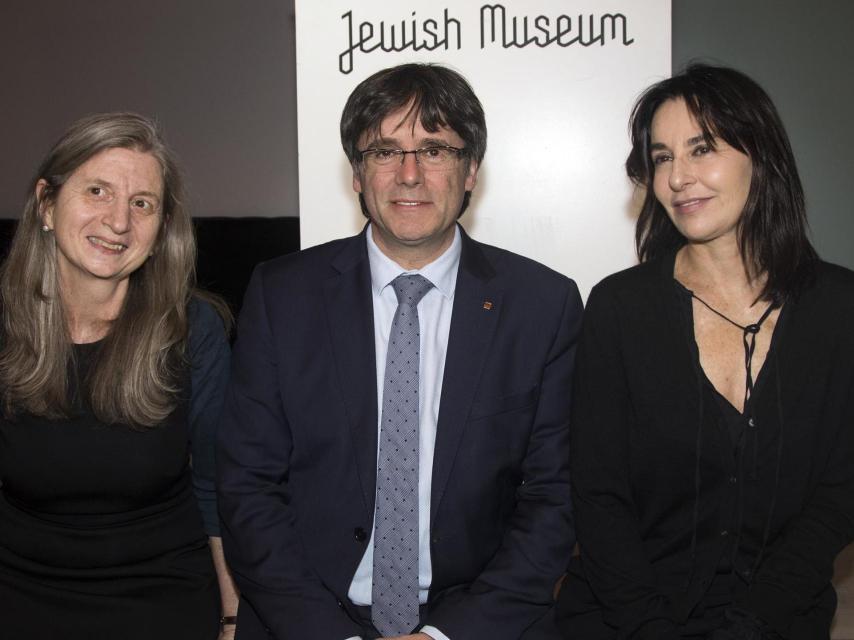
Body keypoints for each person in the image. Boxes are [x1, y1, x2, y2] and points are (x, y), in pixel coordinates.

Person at [217, 63, 582, 640]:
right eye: (385, 152)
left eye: (435, 150)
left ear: (471, 173)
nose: (409, 175)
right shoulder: (281, 294)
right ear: (358, 176)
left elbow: (554, 501)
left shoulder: (543, 306)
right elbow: (247, 487)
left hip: (475, 623)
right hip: (308, 620)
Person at [555, 63, 854, 639]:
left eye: (702, 148)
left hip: (779, 620)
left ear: (760, 156)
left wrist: (753, 624)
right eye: (663, 157)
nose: (678, 178)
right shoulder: (620, 308)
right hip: (625, 622)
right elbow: (597, 495)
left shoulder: (839, 309)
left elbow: (840, 494)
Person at [0, 112, 239, 639]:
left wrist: (230, 619)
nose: (118, 222)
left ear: (160, 230)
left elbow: (216, 487)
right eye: (97, 191)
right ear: (46, 204)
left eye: (142, 204)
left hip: (162, 601)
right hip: (18, 599)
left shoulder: (192, 330)